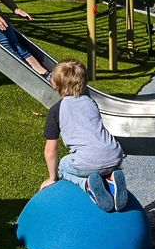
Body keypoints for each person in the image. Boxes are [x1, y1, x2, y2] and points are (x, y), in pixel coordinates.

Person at [40, 59, 127, 211]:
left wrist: (52, 178)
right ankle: (110, 178)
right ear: (84, 83)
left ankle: (87, 185)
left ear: (55, 85)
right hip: (115, 155)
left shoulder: (56, 110)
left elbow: (50, 150)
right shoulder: (91, 102)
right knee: (98, 164)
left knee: (63, 166)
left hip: (87, 161)